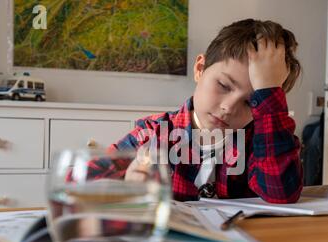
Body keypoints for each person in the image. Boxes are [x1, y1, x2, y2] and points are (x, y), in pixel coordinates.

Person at [89, 19, 303, 203]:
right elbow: (81, 181)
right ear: (200, 69)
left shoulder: (262, 142)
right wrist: (126, 185)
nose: (228, 107)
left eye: (250, 102)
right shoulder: (153, 134)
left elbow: (281, 193)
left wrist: (268, 92)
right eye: (224, 85)